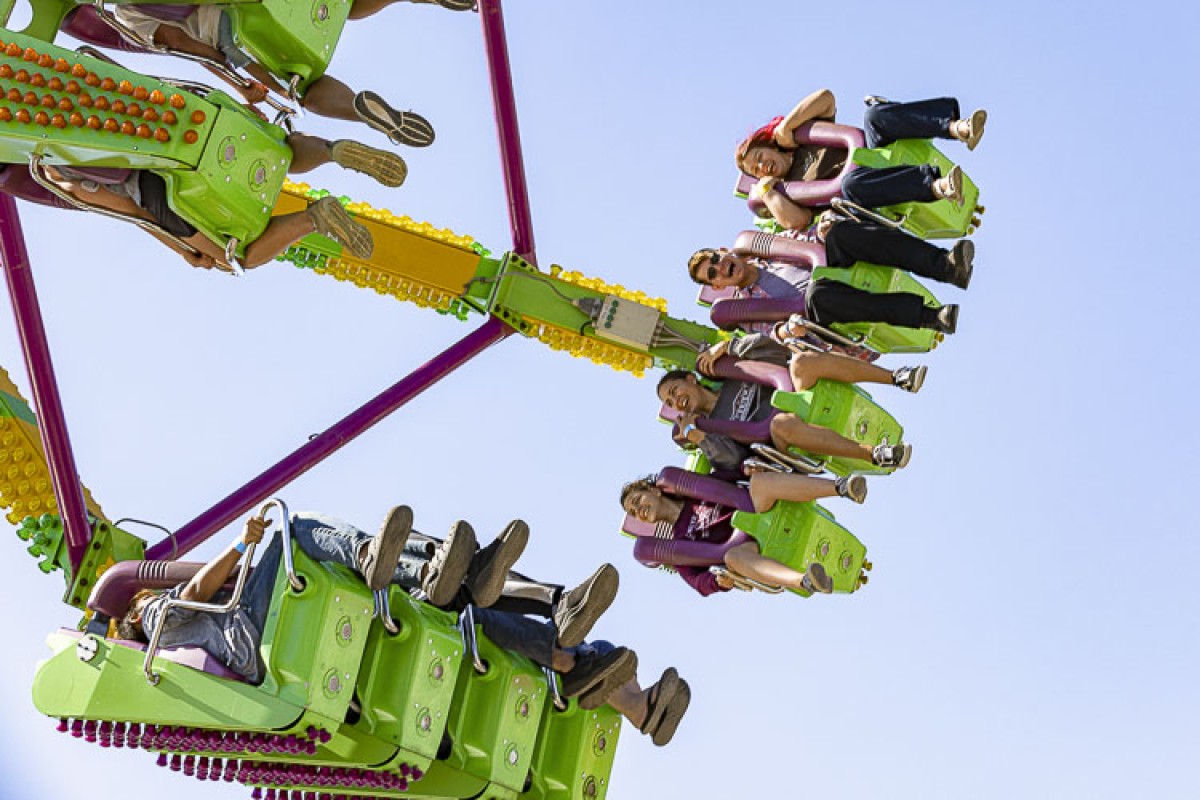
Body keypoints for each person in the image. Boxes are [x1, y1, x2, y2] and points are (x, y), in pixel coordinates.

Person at [117, 507, 690, 745]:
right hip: (258, 636)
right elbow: (192, 592)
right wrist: (239, 547)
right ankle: (432, 571)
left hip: (271, 641)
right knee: (295, 530)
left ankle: (593, 671)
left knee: (463, 615)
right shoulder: (153, 621)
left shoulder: (180, 650)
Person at [110, 0, 475, 146]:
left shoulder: (126, 12)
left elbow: (183, 44)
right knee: (338, 5)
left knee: (302, 89)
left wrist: (238, 81)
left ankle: (357, 110)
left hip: (232, 30)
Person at [40, 128, 406, 269]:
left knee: (240, 256)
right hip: (182, 132)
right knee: (279, 152)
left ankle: (315, 218)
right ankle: (331, 150)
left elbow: (131, 211)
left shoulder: (53, 167)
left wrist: (183, 248)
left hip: (158, 189)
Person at [656, 333, 917, 472]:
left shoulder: (730, 375)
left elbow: (772, 350)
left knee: (802, 361)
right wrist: (699, 436)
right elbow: (733, 460)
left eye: (675, 390)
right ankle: (876, 454)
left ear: (691, 379)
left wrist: (728, 346)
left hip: (793, 396)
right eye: (670, 402)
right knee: (782, 424)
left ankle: (897, 377)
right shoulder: (710, 429)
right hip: (780, 438)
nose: (676, 401)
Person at [736, 89, 987, 231]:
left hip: (873, 151)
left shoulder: (805, 139)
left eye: (759, 157)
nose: (761, 166)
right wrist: (768, 192)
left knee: (874, 115)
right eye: (755, 171)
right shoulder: (790, 190)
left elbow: (826, 98)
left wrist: (787, 127)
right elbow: (796, 222)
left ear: (770, 146)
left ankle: (958, 128)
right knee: (850, 185)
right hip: (863, 188)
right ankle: (939, 186)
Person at [620, 471, 866, 597]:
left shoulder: (694, 488)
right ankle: (806, 581)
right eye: (633, 511)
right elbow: (698, 582)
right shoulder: (678, 545)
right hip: (744, 546)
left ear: (655, 491)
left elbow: (731, 475)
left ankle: (842, 488)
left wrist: (746, 468)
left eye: (638, 500)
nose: (638, 510)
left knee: (759, 482)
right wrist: (718, 582)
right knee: (733, 560)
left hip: (757, 512)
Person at [687, 231, 961, 335]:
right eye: (713, 274)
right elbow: (773, 333)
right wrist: (786, 331)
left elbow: (805, 240)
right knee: (818, 297)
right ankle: (931, 317)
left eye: (715, 258)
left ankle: (946, 267)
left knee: (841, 236)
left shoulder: (766, 248)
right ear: (719, 286)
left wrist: (823, 230)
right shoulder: (747, 310)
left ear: (724, 250)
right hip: (821, 313)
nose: (720, 267)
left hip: (829, 271)